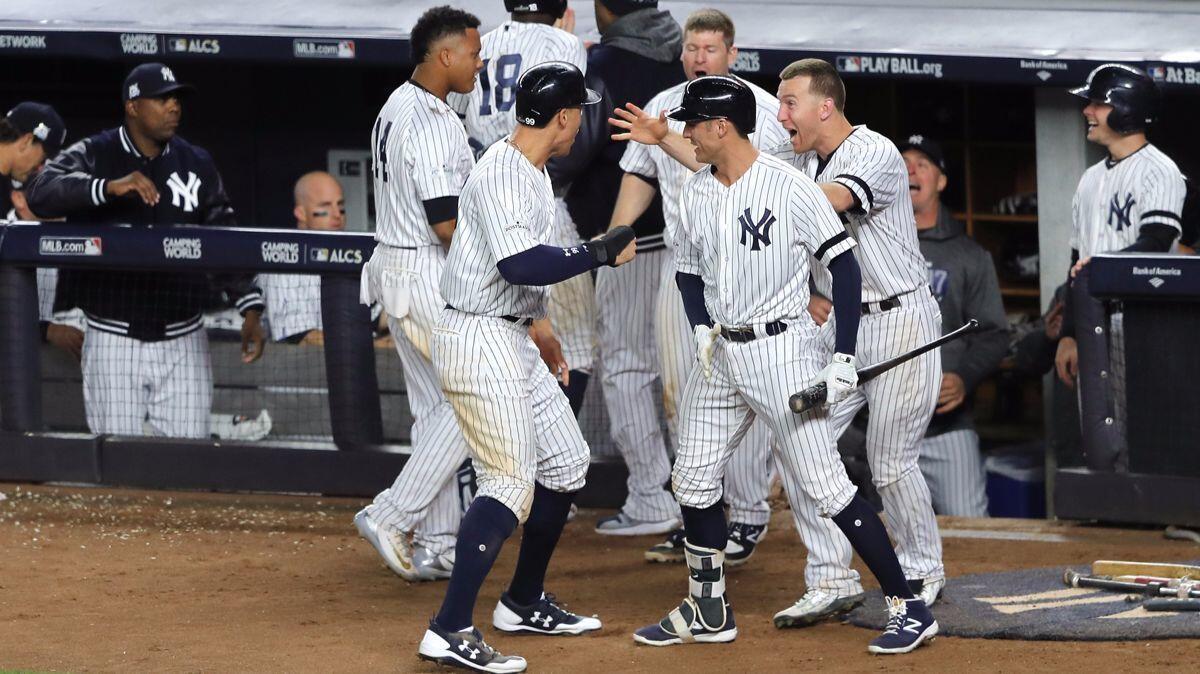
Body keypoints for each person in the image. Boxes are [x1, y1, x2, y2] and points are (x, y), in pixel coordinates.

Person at [630, 76, 936, 655]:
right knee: (692, 479)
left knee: (828, 487)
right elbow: (689, 271)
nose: (684, 133)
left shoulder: (790, 187)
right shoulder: (697, 190)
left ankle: (908, 606)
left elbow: (843, 266)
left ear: (721, 127)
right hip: (721, 354)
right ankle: (708, 608)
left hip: (781, 354)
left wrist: (843, 355)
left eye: (692, 123)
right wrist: (698, 324)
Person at [418, 62, 635, 673]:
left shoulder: (532, 171)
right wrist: (599, 251)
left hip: (510, 333)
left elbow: (510, 268)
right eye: (580, 112)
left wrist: (541, 329)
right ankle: (449, 627)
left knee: (565, 466)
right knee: (509, 485)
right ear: (564, 117)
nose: (582, 122)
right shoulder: (506, 173)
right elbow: (520, 264)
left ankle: (522, 598)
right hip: (477, 338)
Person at [605, 8, 788, 562]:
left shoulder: (761, 107)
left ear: (732, 53)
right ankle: (698, 512)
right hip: (683, 266)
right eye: (690, 48)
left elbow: (789, 180)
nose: (698, 57)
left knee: (748, 387)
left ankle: (751, 512)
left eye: (709, 49)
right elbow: (637, 173)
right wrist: (618, 231)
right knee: (682, 392)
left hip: (753, 267)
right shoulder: (662, 105)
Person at [767, 59, 946, 624]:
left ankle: (921, 568)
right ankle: (831, 577)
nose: (780, 113)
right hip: (840, 326)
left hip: (899, 321)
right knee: (800, 442)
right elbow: (733, 172)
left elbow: (830, 201)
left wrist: (760, 193)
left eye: (790, 101)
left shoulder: (875, 151)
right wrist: (671, 140)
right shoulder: (800, 156)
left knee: (889, 461)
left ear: (826, 106)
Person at [24, 64, 267, 439]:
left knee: (187, 461)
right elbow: (40, 191)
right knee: (115, 464)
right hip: (113, 337)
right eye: (162, 98)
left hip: (184, 336)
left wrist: (249, 305)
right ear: (133, 106)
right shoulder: (96, 151)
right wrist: (107, 187)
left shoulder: (196, 162)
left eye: (177, 99)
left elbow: (222, 233)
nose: (174, 107)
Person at [543, 0, 685, 536]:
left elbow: (576, 149)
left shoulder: (605, 61)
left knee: (626, 367)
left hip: (623, 237)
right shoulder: (680, 56)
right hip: (679, 238)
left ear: (605, 9)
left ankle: (652, 496)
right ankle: (709, 499)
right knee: (683, 372)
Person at [354, 6, 484, 584]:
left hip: (396, 266)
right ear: (446, 55)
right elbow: (445, 222)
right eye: (475, 53)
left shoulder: (395, 103)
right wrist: (496, 264)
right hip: (428, 270)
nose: (480, 63)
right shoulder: (432, 119)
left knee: (435, 410)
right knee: (469, 401)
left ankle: (437, 541)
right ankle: (394, 515)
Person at [448, 0, 596, 414]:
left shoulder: (481, 46)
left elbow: (458, 118)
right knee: (576, 345)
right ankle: (541, 454)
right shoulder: (564, 43)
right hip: (532, 192)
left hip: (481, 194)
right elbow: (564, 125)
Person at [1054, 64, 1183, 389]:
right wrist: (1069, 333)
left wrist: (1101, 268)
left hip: (1143, 323)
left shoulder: (1160, 171)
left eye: (1098, 103)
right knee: (1097, 430)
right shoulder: (1089, 179)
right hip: (1092, 321)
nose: (1087, 110)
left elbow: (1156, 242)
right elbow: (1075, 260)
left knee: (1141, 427)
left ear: (1126, 109)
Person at [900, 133, 1008, 517]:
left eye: (922, 164)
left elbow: (995, 334)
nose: (910, 170)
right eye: (903, 162)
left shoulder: (969, 255)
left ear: (941, 181)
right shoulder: (868, 243)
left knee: (970, 529)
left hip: (947, 426)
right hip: (879, 425)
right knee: (888, 540)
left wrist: (964, 377)